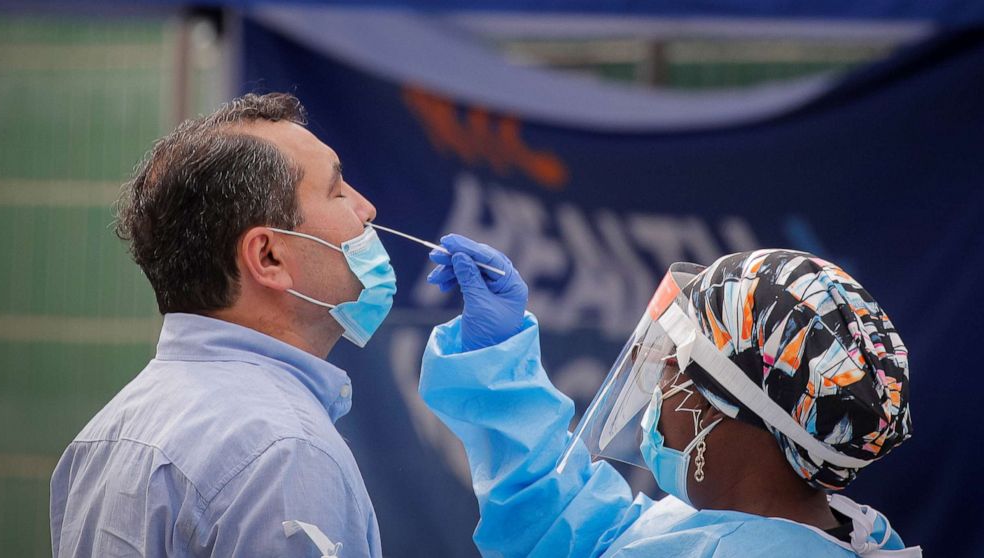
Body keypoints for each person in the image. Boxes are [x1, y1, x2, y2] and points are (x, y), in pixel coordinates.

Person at [418, 238, 921, 557]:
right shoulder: (825, 534)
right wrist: (498, 360)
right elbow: (573, 533)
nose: (657, 378)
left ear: (715, 409)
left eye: (671, 362)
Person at [50, 93, 394, 557]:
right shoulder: (286, 451)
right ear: (268, 256)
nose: (366, 208)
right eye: (337, 191)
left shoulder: (106, 431)